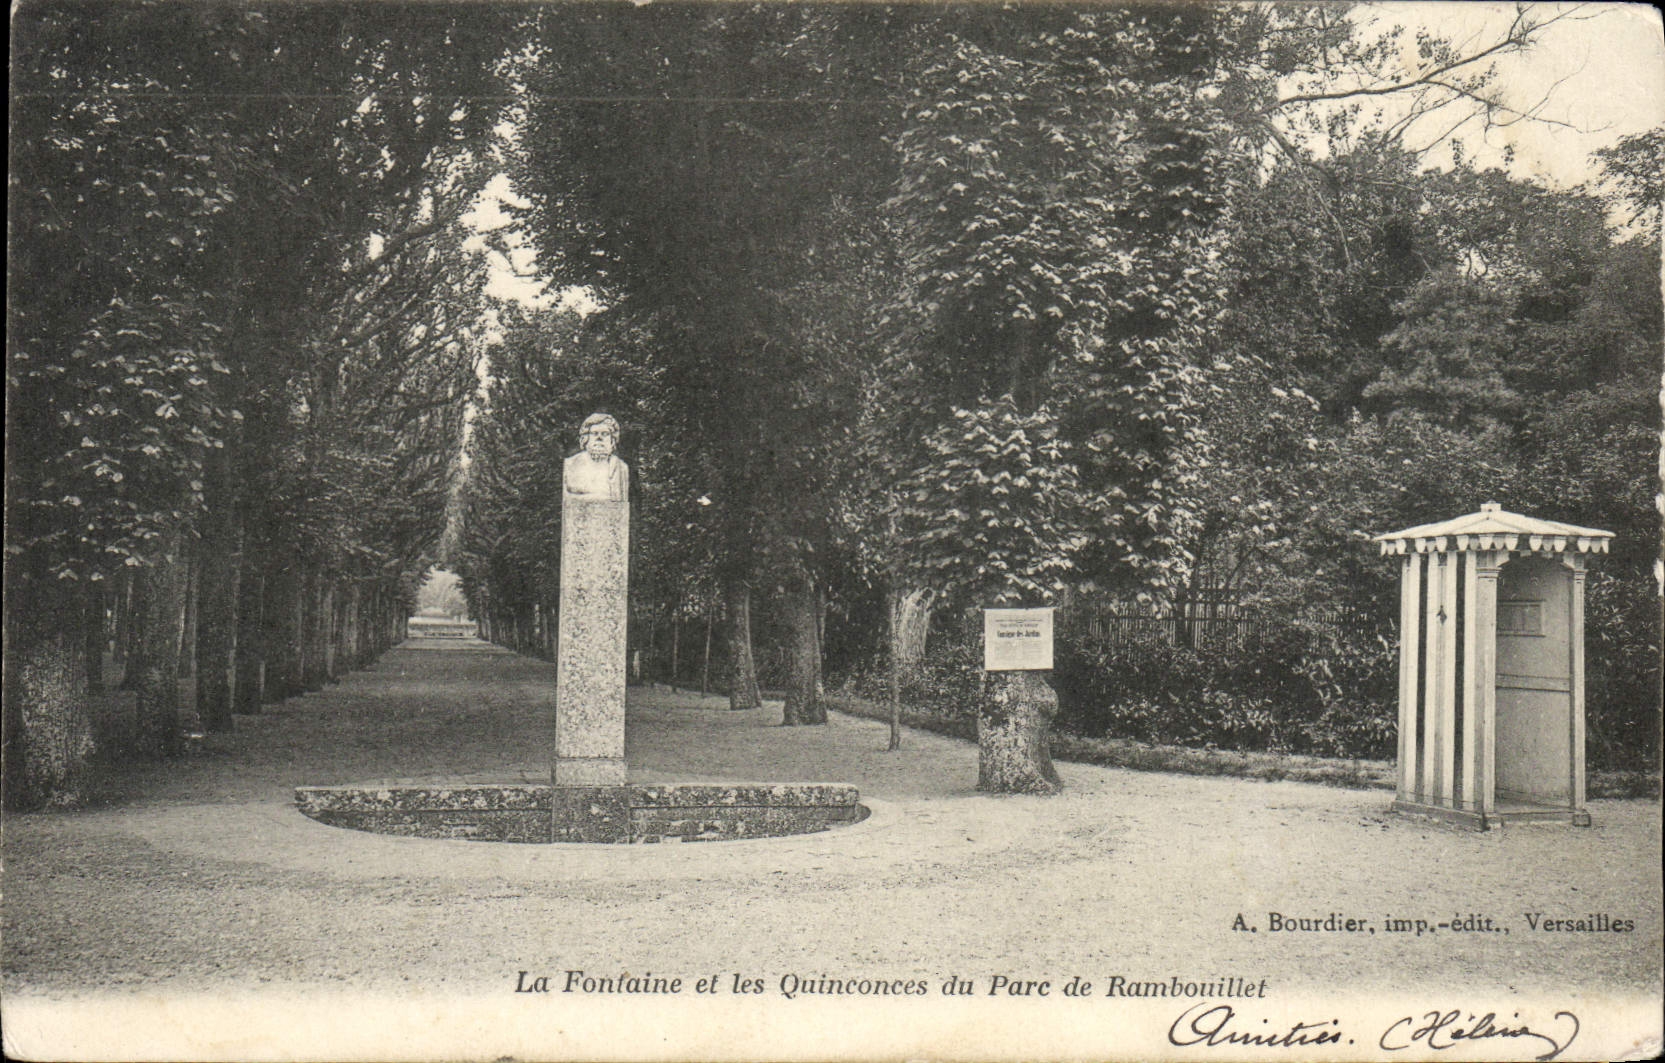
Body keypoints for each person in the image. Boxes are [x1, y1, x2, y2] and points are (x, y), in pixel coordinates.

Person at [563, 412, 629, 501]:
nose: (599, 438)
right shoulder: (571, 464)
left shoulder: (621, 468)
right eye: (594, 433)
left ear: (612, 439)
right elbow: (569, 498)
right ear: (586, 437)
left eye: (605, 434)